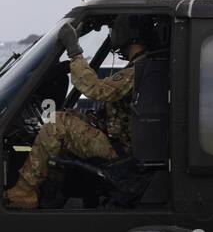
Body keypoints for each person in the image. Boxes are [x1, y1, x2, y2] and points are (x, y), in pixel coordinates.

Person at [4, 15, 153, 210]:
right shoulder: (142, 65)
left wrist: (74, 52)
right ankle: (52, 192)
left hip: (122, 153)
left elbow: (94, 90)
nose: (113, 34)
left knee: (58, 123)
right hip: (121, 142)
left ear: (129, 34)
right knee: (69, 115)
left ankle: (23, 191)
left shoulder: (138, 69)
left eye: (116, 29)